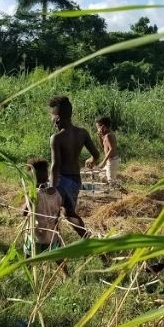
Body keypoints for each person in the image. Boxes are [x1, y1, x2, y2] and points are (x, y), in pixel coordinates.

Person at [48, 95, 100, 237]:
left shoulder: (56, 138)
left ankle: (54, 245)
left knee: (52, 215)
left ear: (57, 118)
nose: (51, 119)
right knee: (70, 214)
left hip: (61, 181)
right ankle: (87, 238)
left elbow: (55, 166)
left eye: (51, 116)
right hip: (75, 181)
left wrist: (51, 189)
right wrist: (91, 159)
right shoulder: (82, 133)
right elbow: (96, 154)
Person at [23, 158, 63, 256]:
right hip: (52, 235)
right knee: (57, 257)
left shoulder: (33, 194)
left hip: (36, 235)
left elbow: (23, 212)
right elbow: (58, 213)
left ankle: (26, 270)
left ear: (32, 176)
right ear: (46, 174)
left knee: (28, 256)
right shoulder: (56, 192)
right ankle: (65, 271)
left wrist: (26, 198)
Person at [92, 116, 120, 185]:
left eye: (98, 127)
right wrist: (99, 136)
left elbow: (111, 149)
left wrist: (103, 162)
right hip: (110, 161)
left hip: (112, 161)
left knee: (111, 181)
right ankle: (118, 185)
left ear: (103, 127)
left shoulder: (108, 136)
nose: (97, 129)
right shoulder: (106, 136)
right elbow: (103, 146)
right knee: (101, 175)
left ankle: (122, 192)